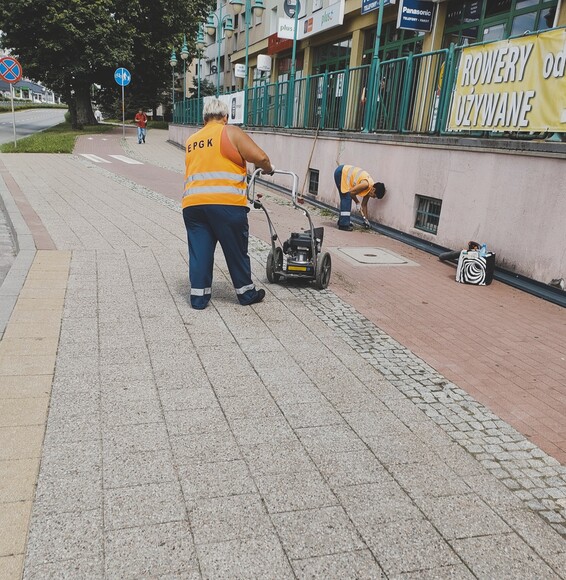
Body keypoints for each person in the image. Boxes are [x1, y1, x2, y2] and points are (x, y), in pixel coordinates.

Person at [182, 98, 273, 310]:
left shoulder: (192, 140)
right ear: (226, 117)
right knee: (235, 248)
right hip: (226, 204)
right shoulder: (229, 132)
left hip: (193, 205)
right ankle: (246, 293)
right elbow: (260, 157)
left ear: (204, 119)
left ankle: (198, 298)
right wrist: (268, 168)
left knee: (200, 250)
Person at [334, 164, 385, 231]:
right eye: (374, 196)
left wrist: (366, 220)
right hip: (341, 173)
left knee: (345, 198)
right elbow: (351, 193)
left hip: (344, 173)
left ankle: (342, 221)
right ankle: (343, 225)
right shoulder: (365, 185)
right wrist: (357, 202)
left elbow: (364, 205)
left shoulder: (370, 188)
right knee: (346, 198)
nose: (373, 197)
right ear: (373, 189)